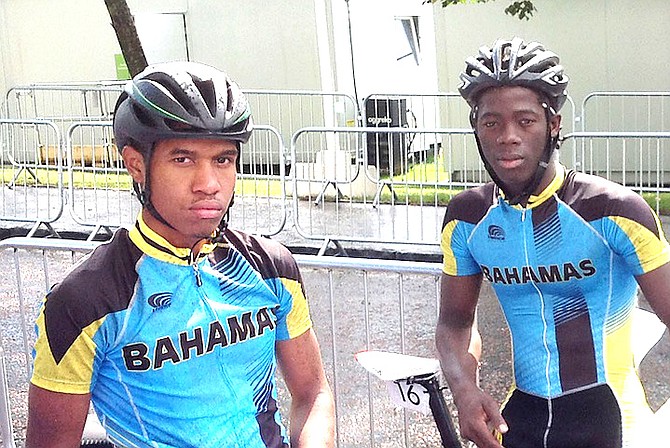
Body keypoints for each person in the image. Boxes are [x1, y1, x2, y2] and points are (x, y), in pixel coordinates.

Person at [26, 61, 335, 447]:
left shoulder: (271, 267)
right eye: (182, 159)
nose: (208, 184)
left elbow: (313, 393)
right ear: (136, 165)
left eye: (222, 160)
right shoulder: (85, 301)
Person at [435, 37, 670, 448]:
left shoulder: (612, 210)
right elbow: (455, 321)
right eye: (491, 122)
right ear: (476, 129)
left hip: (613, 421)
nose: (508, 136)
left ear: (554, 125)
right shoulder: (467, 218)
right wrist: (464, 390)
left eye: (525, 121)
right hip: (521, 418)